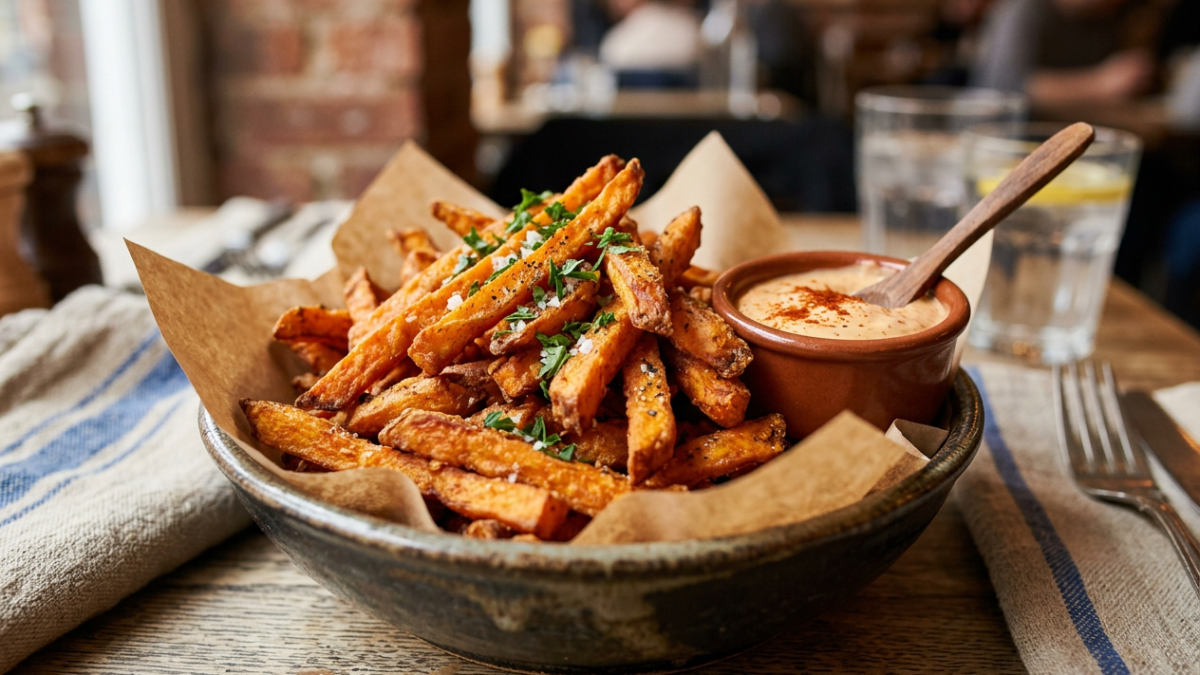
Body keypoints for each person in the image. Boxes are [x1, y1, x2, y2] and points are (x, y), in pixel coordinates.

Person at [971, 0, 1154, 105]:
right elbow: (1005, 86)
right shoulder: (1025, 9)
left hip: (1074, 129)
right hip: (1008, 137)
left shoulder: (1108, 17)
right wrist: (1100, 83)